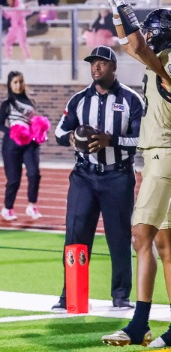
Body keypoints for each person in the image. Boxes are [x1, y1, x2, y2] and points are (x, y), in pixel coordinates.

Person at [98, 0, 171, 347]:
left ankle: (139, 323)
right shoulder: (161, 60)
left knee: (141, 234)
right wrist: (115, 10)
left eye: (154, 31)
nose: (148, 35)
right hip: (163, 156)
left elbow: (138, 45)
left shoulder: (168, 62)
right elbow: (131, 44)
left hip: (163, 157)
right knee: (166, 244)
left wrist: (121, 3)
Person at [52, 44, 143, 315]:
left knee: (119, 236)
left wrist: (110, 140)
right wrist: (71, 137)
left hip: (118, 175)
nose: (96, 67)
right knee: (76, 234)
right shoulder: (79, 100)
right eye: (93, 63)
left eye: (102, 63)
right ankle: (70, 294)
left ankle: (121, 295)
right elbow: (59, 132)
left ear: (113, 67)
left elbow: (141, 139)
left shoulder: (131, 100)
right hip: (84, 176)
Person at [0, 71, 46, 221]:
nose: (18, 85)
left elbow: (33, 122)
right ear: (10, 85)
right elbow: (0, 125)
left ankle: (32, 205)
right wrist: (14, 132)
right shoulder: (7, 104)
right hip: (11, 145)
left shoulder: (31, 102)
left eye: (20, 82)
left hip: (30, 143)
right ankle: (8, 208)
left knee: (34, 174)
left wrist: (38, 131)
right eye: (15, 82)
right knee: (14, 179)